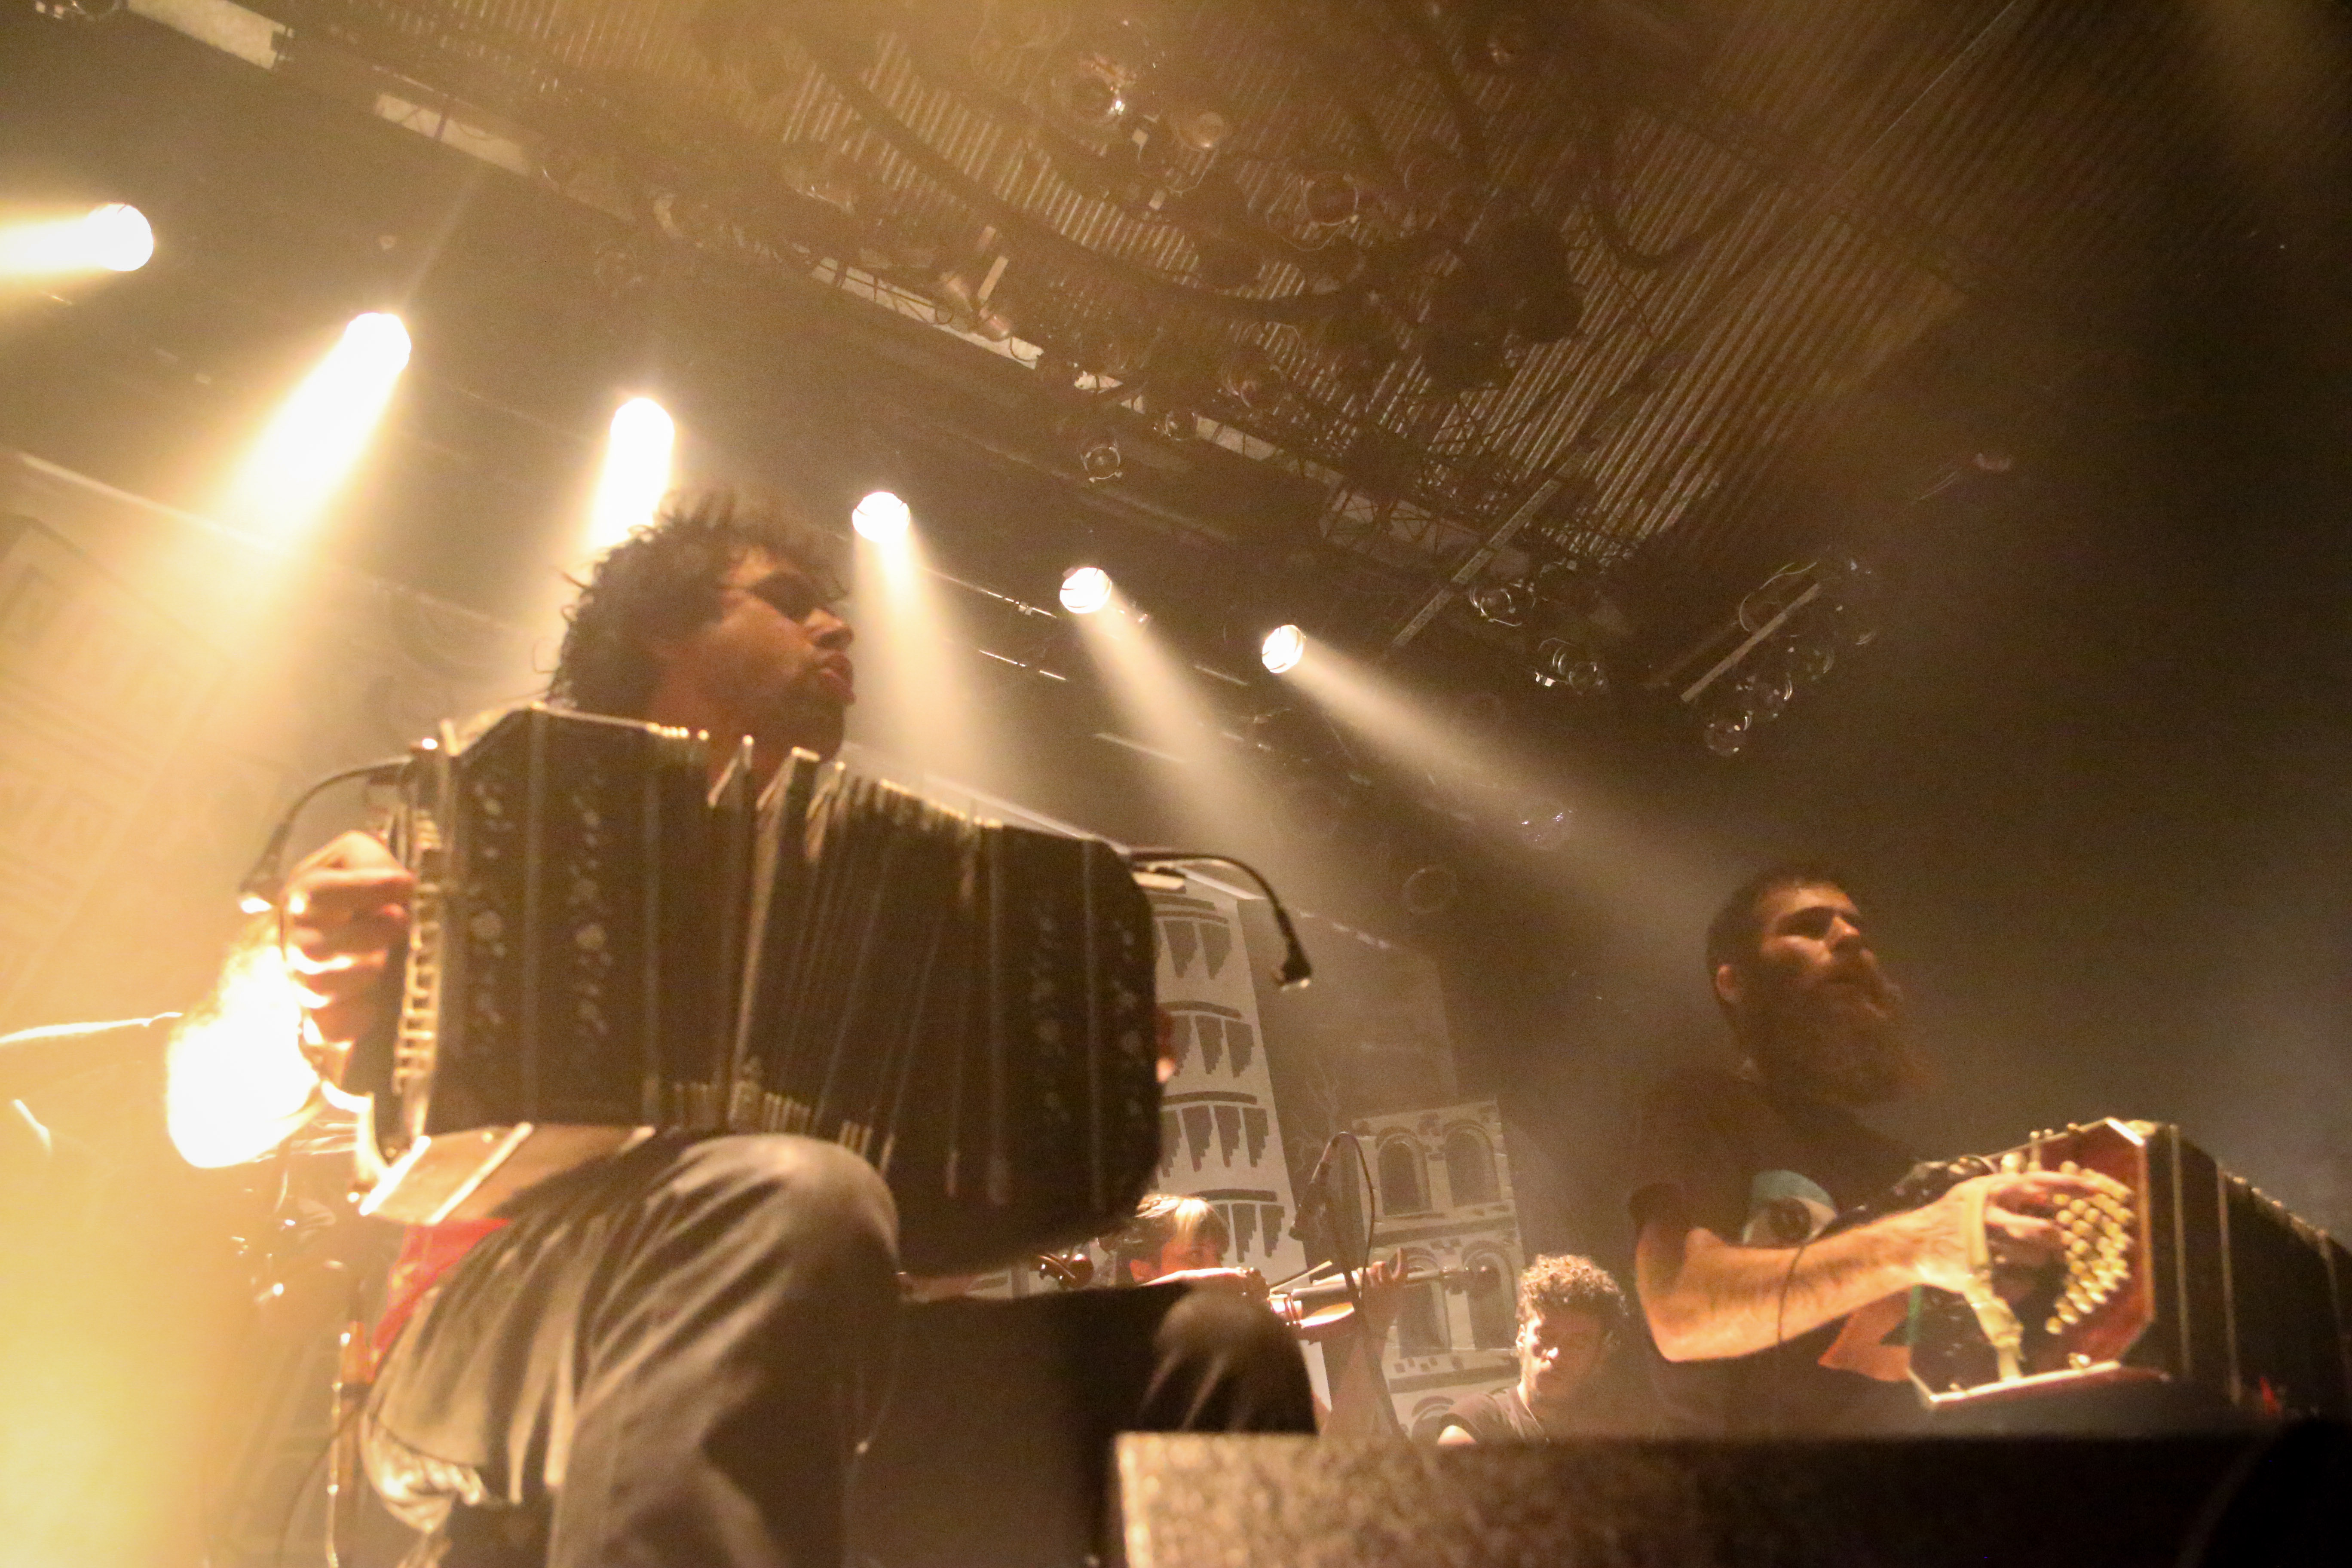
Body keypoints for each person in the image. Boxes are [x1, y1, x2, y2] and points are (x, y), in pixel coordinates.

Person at [164, 491, 1307, 1568]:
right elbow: (202, 1116)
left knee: (1217, 1349)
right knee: (791, 1195)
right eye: (788, 596)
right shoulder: (492, 819)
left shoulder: (913, 904)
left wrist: (1082, 1100)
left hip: (823, 1361)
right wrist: (293, 974)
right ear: (663, 629)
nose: (837, 621)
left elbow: (931, 1248)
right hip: (486, 1356)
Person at [1626, 864, 2101, 1435]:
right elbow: (1683, 1313)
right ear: (1735, 983)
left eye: (1857, 930)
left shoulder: (1903, 1171)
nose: (1850, 938)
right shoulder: (1702, 1107)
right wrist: (1921, 1242)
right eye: (1807, 926)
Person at [1433, 1254, 1624, 1443]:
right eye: (1546, 1337)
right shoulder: (1481, 1421)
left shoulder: (1613, 1431)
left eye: (1577, 1345)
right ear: (1521, 1338)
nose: (1555, 1355)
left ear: (1600, 1353)